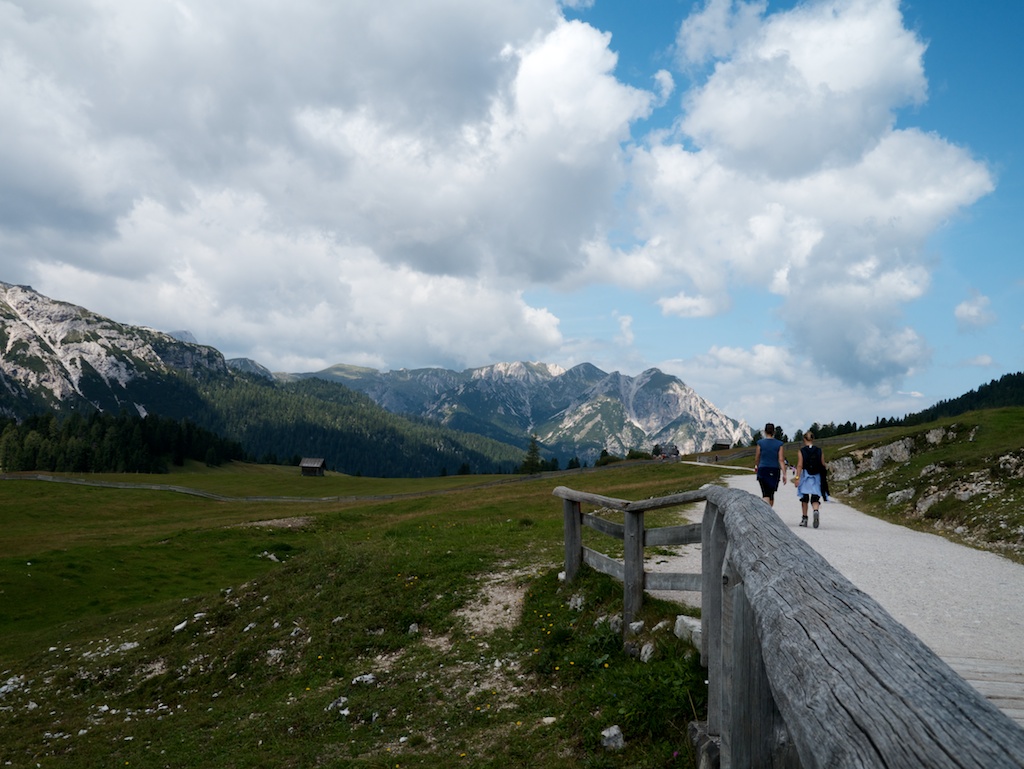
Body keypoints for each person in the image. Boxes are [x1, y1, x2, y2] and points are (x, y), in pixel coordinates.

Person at [794, 431, 826, 528]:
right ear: (813, 439)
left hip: (806, 476)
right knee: (815, 497)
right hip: (816, 477)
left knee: (804, 498)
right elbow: (823, 464)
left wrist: (797, 478)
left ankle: (804, 518)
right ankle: (815, 511)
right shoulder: (819, 450)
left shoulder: (802, 451)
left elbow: (799, 465)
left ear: (804, 439)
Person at [753, 423, 786, 506]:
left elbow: (757, 457)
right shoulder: (779, 444)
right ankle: (770, 511)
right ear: (774, 432)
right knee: (771, 494)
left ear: (765, 431)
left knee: (765, 493)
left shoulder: (760, 443)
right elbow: (781, 459)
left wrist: (756, 466)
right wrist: (784, 474)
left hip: (763, 469)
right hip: (774, 470)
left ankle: (766, 513)